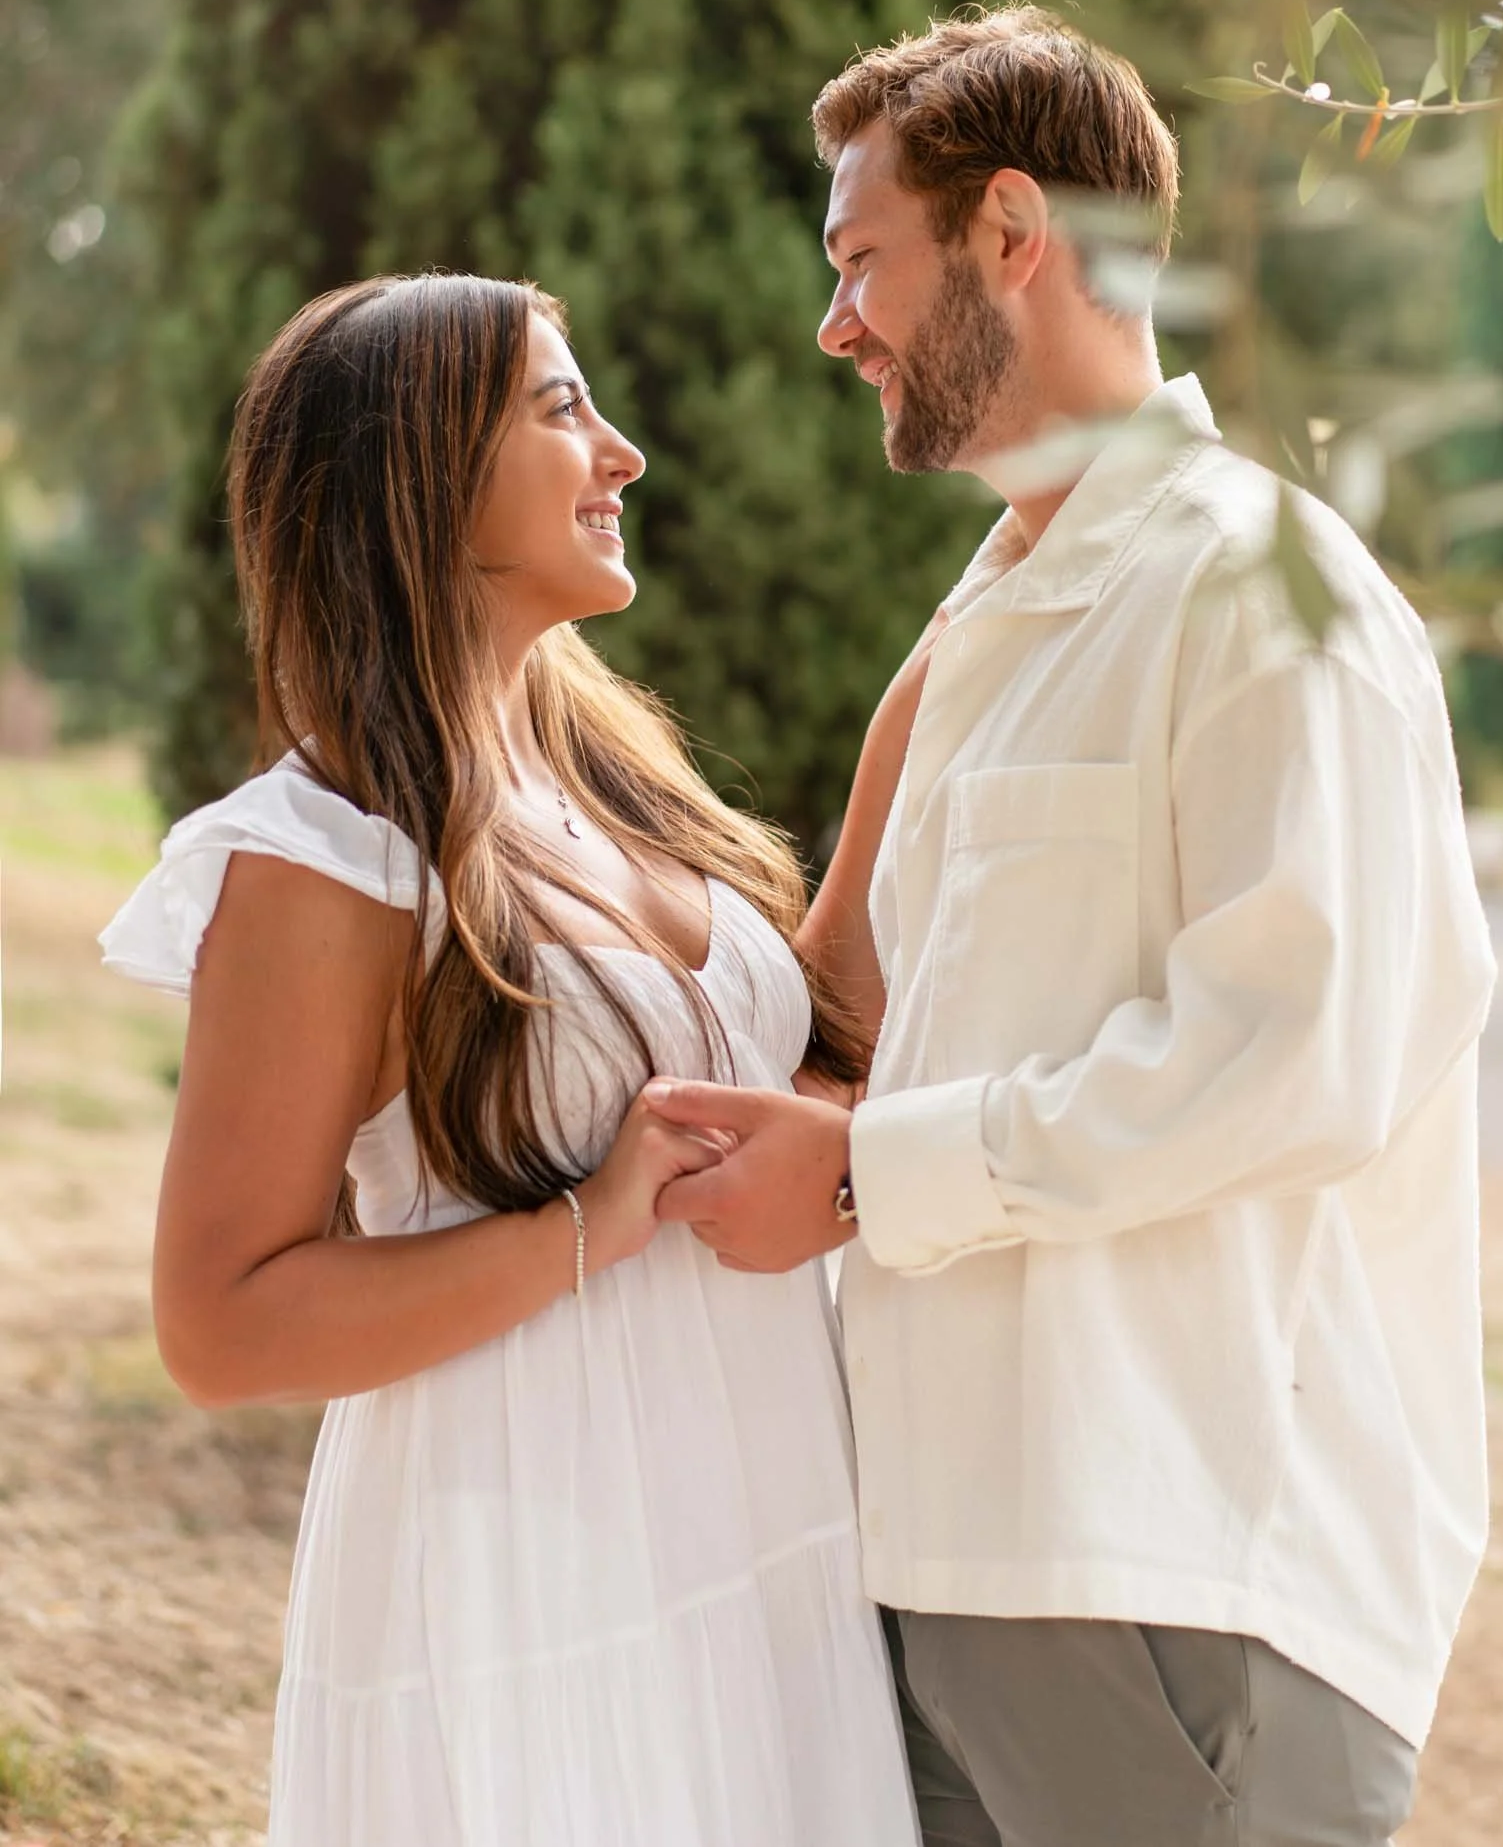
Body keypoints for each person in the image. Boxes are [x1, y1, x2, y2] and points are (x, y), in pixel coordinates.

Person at [648, 5, 1497, 1847]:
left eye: (860, 260)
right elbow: (868, 1018)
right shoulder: (984, 630)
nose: (834, 325)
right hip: (952, 1555)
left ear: (1012, 233)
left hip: (1182, 1570)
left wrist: (867, 1178)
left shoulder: (1264, 597)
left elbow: (1289, 1062)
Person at [100, 274, 921, 1847]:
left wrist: (919, 712)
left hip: (763, 1518)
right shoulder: (324, 854)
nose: (621, 454)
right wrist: (584, 1227)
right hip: (525, 1560)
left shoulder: (608, 766)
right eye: (560, 410)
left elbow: (793, 1062)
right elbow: (220, 1327)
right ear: (415, 471)